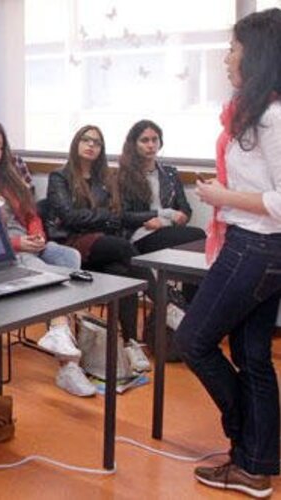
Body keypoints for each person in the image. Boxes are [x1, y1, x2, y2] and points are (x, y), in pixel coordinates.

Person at [176, 9, 281, 498]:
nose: (226, 59)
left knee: (193, 340)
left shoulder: (273, 117)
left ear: (256, 55)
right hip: (261, 246)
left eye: (233, 49)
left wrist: (223, 197)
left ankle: (246, 439)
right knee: (252, 355)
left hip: (256, 245)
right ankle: (256, 465)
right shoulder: (258, 112)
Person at [0, 121, 93, 397]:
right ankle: (68, 362)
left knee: (69, 256)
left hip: (29, 244)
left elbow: (31, 215)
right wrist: (18, 244)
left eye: (0, 147)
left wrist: (37, 234)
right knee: (41, 270)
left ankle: (60, 332)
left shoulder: (9, 180)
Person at [45, 125, 154, 372]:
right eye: (86, 140)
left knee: (125, 276)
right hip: (71, 244)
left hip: (100, 245)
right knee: (124, 247)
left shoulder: (105, 179)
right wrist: (103, 216)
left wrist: (101, 217)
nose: (91, 145)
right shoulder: (59, 177)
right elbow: (69, 217)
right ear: (76, 143)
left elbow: (118, 215)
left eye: (96, 142)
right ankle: (165, 304)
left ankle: (130, 343)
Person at [114, 119, 206, 328]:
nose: (151, 145)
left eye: (154, 140)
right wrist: (157, 216)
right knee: (198, 236)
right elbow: (124, 216)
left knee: (198, 248)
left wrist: (176, 218)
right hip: (140, 234)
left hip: (165, 230)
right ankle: (181, 312)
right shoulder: (123, 175)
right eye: (144, 140)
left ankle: (187, 311)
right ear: (134, 144)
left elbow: (185, 209)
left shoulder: (170, 173)